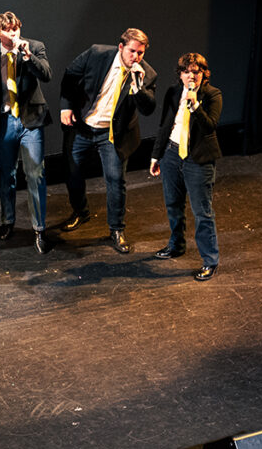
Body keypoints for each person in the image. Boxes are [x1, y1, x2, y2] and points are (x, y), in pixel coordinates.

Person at [60, 28, 157, 253]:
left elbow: (149, 109)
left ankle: (116, 228)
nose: (136, 57)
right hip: (83, 126)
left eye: (141, 53)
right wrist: (65, 106)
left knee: (115, 180)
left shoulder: (147, 74)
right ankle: (80, 212)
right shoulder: (97, 54)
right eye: (132, 51)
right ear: (121, 47)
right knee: (72, 172)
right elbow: (70, 74)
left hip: (113, 134)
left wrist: (138, 88)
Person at [0, 12, 52, 253]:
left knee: (35, 174)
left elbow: (46, 75)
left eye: (16, 29)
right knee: (7, 175)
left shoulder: (34, 47)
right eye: (8, 30)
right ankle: (8, 221)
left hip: (30, 119)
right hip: (5, 119)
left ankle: (39, 229)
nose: (14, 34)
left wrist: (28, 57)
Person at [149, 53, 222, 281]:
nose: (192, 76)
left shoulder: (212, 95)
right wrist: (156, 155)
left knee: (202, 212)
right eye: (187, 72)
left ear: (203, 74)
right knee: (173, 203)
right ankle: (176, 245)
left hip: (198, 159)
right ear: (180, 74)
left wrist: (195, 104)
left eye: (196, 72)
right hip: (172, 153)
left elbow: (209, 126)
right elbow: (165, 124)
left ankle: (210, 260)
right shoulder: (172, 93)